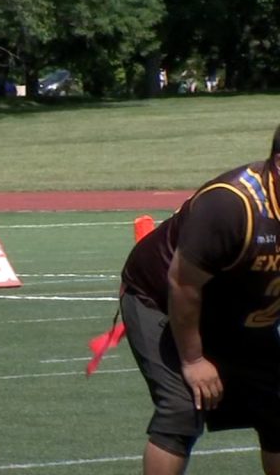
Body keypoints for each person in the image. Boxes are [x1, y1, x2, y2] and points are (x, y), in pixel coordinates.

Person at [121, 124, 280, 474]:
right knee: (181, 407)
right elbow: (182, 284)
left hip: (236, 303)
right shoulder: (232, 204)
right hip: (160, 297)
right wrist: (193, 360)